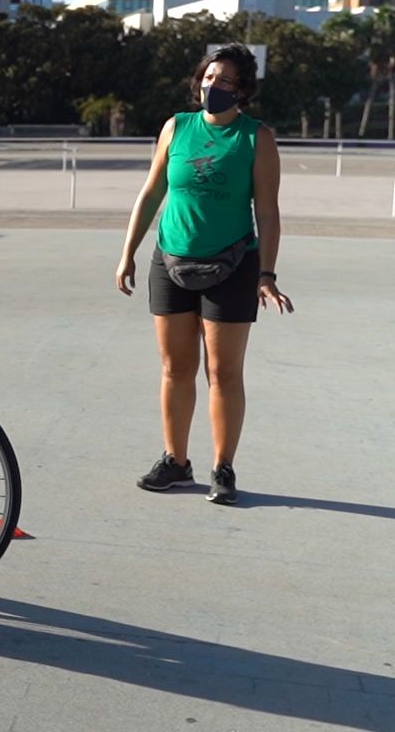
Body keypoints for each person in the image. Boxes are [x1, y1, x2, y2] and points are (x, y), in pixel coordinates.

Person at [115, 44, 293, 506]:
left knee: (223, 372)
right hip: (170, 260)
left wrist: (267, 273)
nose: (213, 86)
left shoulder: (257, 138)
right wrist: (128, 252)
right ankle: (176, 461)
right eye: (209, 77)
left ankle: (223, 467)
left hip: (232, 265)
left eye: (226, 81)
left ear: (244, 91)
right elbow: (151, 192)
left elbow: (268, 213)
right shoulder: (176, 127)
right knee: (176, 368)